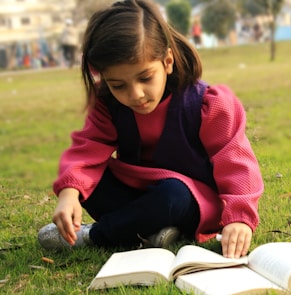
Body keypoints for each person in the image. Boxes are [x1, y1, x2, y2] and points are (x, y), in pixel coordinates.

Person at [37, 0, 263, 259]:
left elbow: (235, 161)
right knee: (87, 180)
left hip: (190, 201)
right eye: (118, 85)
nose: (135, 94)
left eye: (145, 78)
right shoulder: (108, 105)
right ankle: (155, 230)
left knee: (171, 196)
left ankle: (94, 235)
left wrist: (239, 218)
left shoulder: (207, 104)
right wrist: (69, 194)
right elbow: (88, 149)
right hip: (139, 194)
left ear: (167, 61)